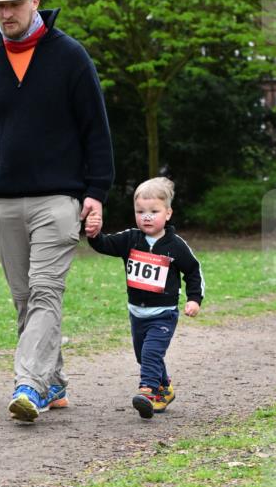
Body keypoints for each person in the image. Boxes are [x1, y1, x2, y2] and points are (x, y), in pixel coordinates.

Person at [0, 0, 114, 423]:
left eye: (13, 4)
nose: (5, 13)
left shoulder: (69, 56)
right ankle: (55, 383)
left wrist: (96, 190)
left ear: (34, 1)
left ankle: (27, 383)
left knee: (46, 291)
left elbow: (96, 129)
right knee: (25, 300)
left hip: (58, 201)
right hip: (5, 202)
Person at [86, 177, 204, 418]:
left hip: (164, 314)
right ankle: (164, 389)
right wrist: (94, 234)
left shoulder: (175, 245)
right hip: (137, 313)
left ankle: (148, 392)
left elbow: (193, 271)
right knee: (143, 355)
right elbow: (104, 245)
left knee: (151, 353)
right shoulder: (130, 239)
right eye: (140, 212)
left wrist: (194, 299)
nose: (146, 217)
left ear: (168, 213)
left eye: (153, 211)